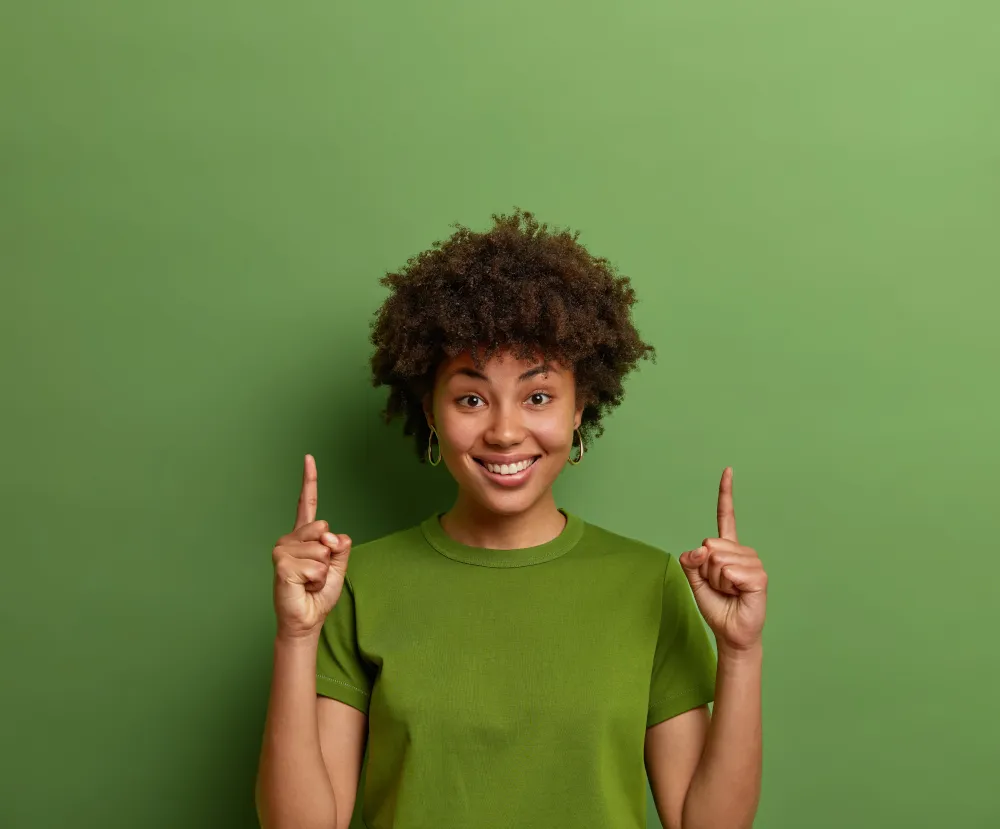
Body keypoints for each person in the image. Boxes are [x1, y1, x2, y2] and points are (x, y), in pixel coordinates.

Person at [255, 209, 767, 829]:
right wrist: (296, 637)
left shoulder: (651, 583)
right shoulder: (354, 582)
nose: (503, 431)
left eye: (539, 396)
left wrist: (740, 653)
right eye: (471, 398)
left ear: (581, 408)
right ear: (432, 413)